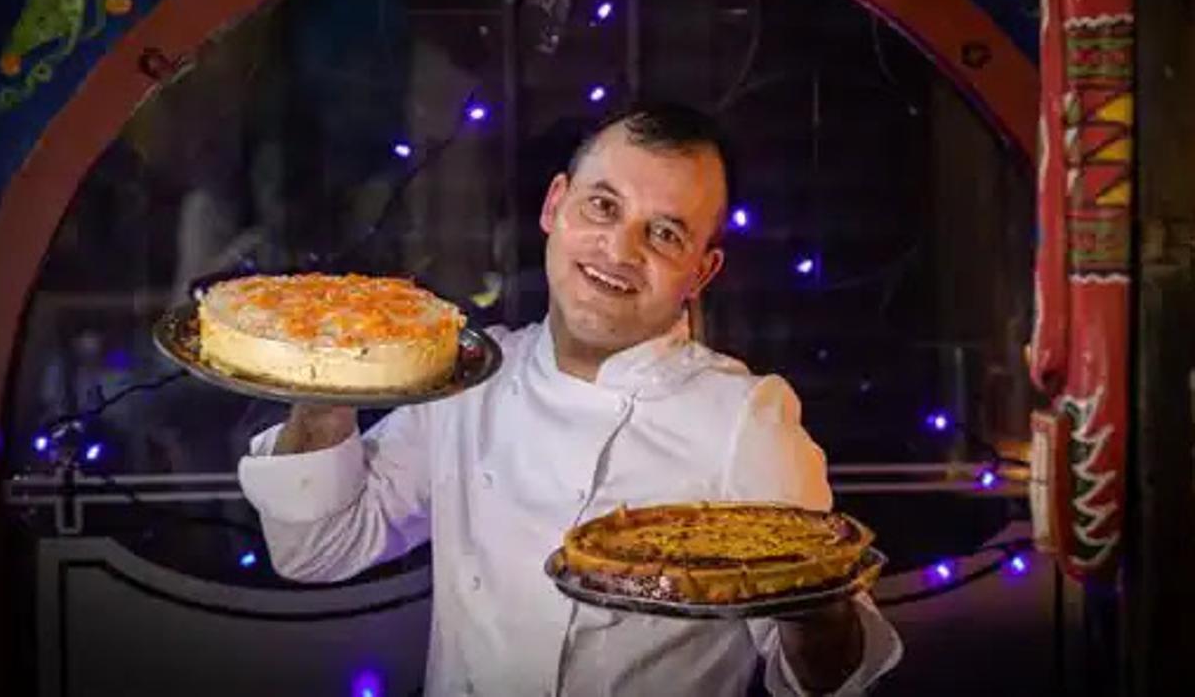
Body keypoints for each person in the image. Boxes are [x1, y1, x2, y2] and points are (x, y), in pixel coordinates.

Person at [238, 104, 902, 696]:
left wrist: (810, 596)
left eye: (665, 234)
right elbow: (319, 548)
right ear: (555, 206)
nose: (619, 249)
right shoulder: (469, 376)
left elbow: (827, 684)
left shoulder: (744, 418)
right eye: (603, 207)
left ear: (702, 272)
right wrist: (321, 382)